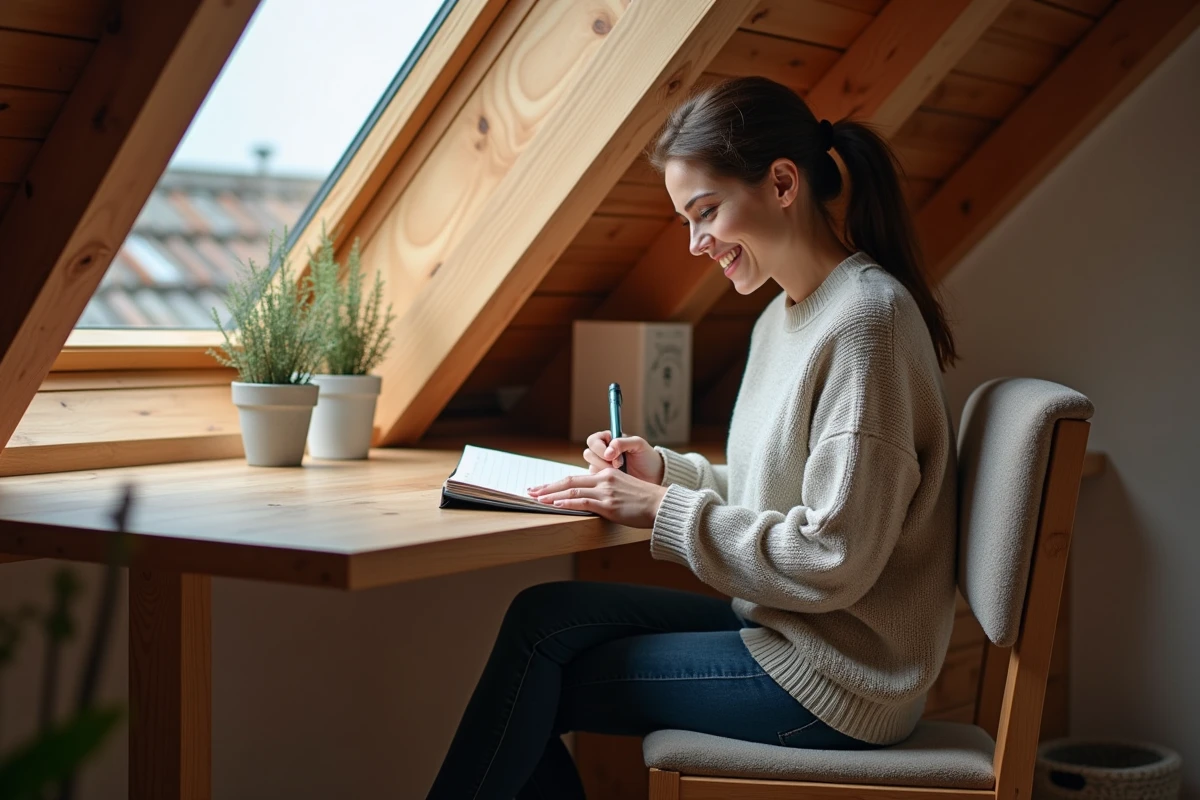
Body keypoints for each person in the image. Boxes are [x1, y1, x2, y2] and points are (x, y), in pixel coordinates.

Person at [426, 75, 960, 800]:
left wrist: (656, 511)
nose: (695, 243)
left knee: (536, 679)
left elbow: (833, 554)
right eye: (685, 219)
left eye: (705, 212)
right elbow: (776, 493)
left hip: (841, 679)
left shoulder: (867, 324)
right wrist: (665, 475)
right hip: (792, 631)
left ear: (780, 183)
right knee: (540, 619)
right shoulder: (781, 317)